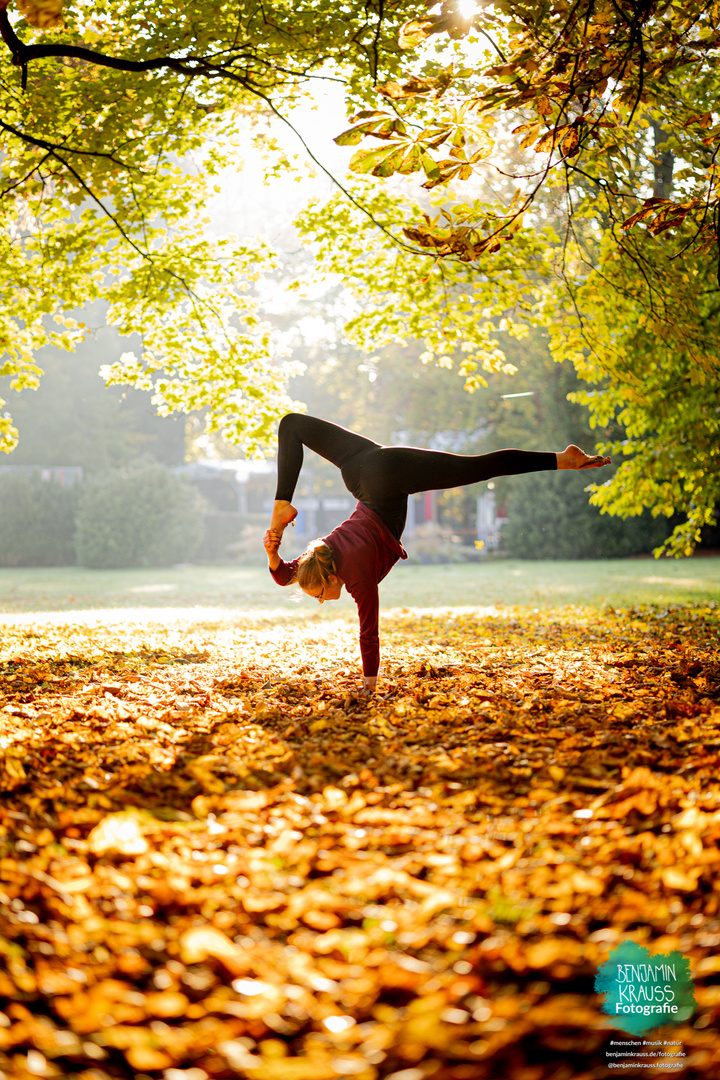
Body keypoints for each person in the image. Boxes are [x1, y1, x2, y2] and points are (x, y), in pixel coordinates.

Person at [264, 414, 611, 694]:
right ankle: (282, 503)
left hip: (387, 476)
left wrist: (369, 686)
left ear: (330, 577)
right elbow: (285, 577)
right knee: (291, 424)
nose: (322, 600)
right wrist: (274, 550)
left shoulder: (356, 576)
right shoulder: (322, 552)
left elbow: (368, 634)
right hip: (360, 472)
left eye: (319, 594)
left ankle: (563, 461)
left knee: (478, 467)